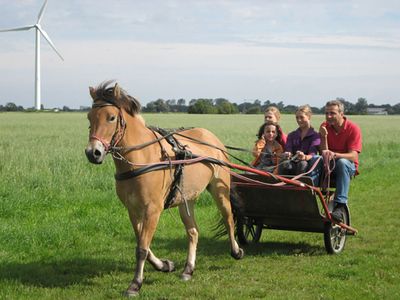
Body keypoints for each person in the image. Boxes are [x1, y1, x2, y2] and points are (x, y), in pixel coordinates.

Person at [319, 100, 362, 221]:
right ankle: (305, 199)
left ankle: (340, 205)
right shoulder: (324, 126)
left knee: (342, 163)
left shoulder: (353, 128)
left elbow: (353, 156)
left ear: (341, 113)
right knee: (313, 160)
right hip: (329, 164)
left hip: (348, 165)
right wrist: (323, 137)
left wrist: (335, 155)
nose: (328, 116)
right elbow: (323, 152)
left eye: (332, 113)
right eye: (326, 113)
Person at [278, 105, 322, 184]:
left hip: (308, 166)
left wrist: (304, 157)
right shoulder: (292, 135)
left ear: (309, 117)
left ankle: (300, 189)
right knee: (283, 163)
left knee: (302, 164)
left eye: (302, 117)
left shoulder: (315, 136)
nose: (299, 120)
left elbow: (313, 154)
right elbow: (289, 149)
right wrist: (288, 154)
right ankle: (281, 187)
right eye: (297, 118)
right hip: (293, 162)